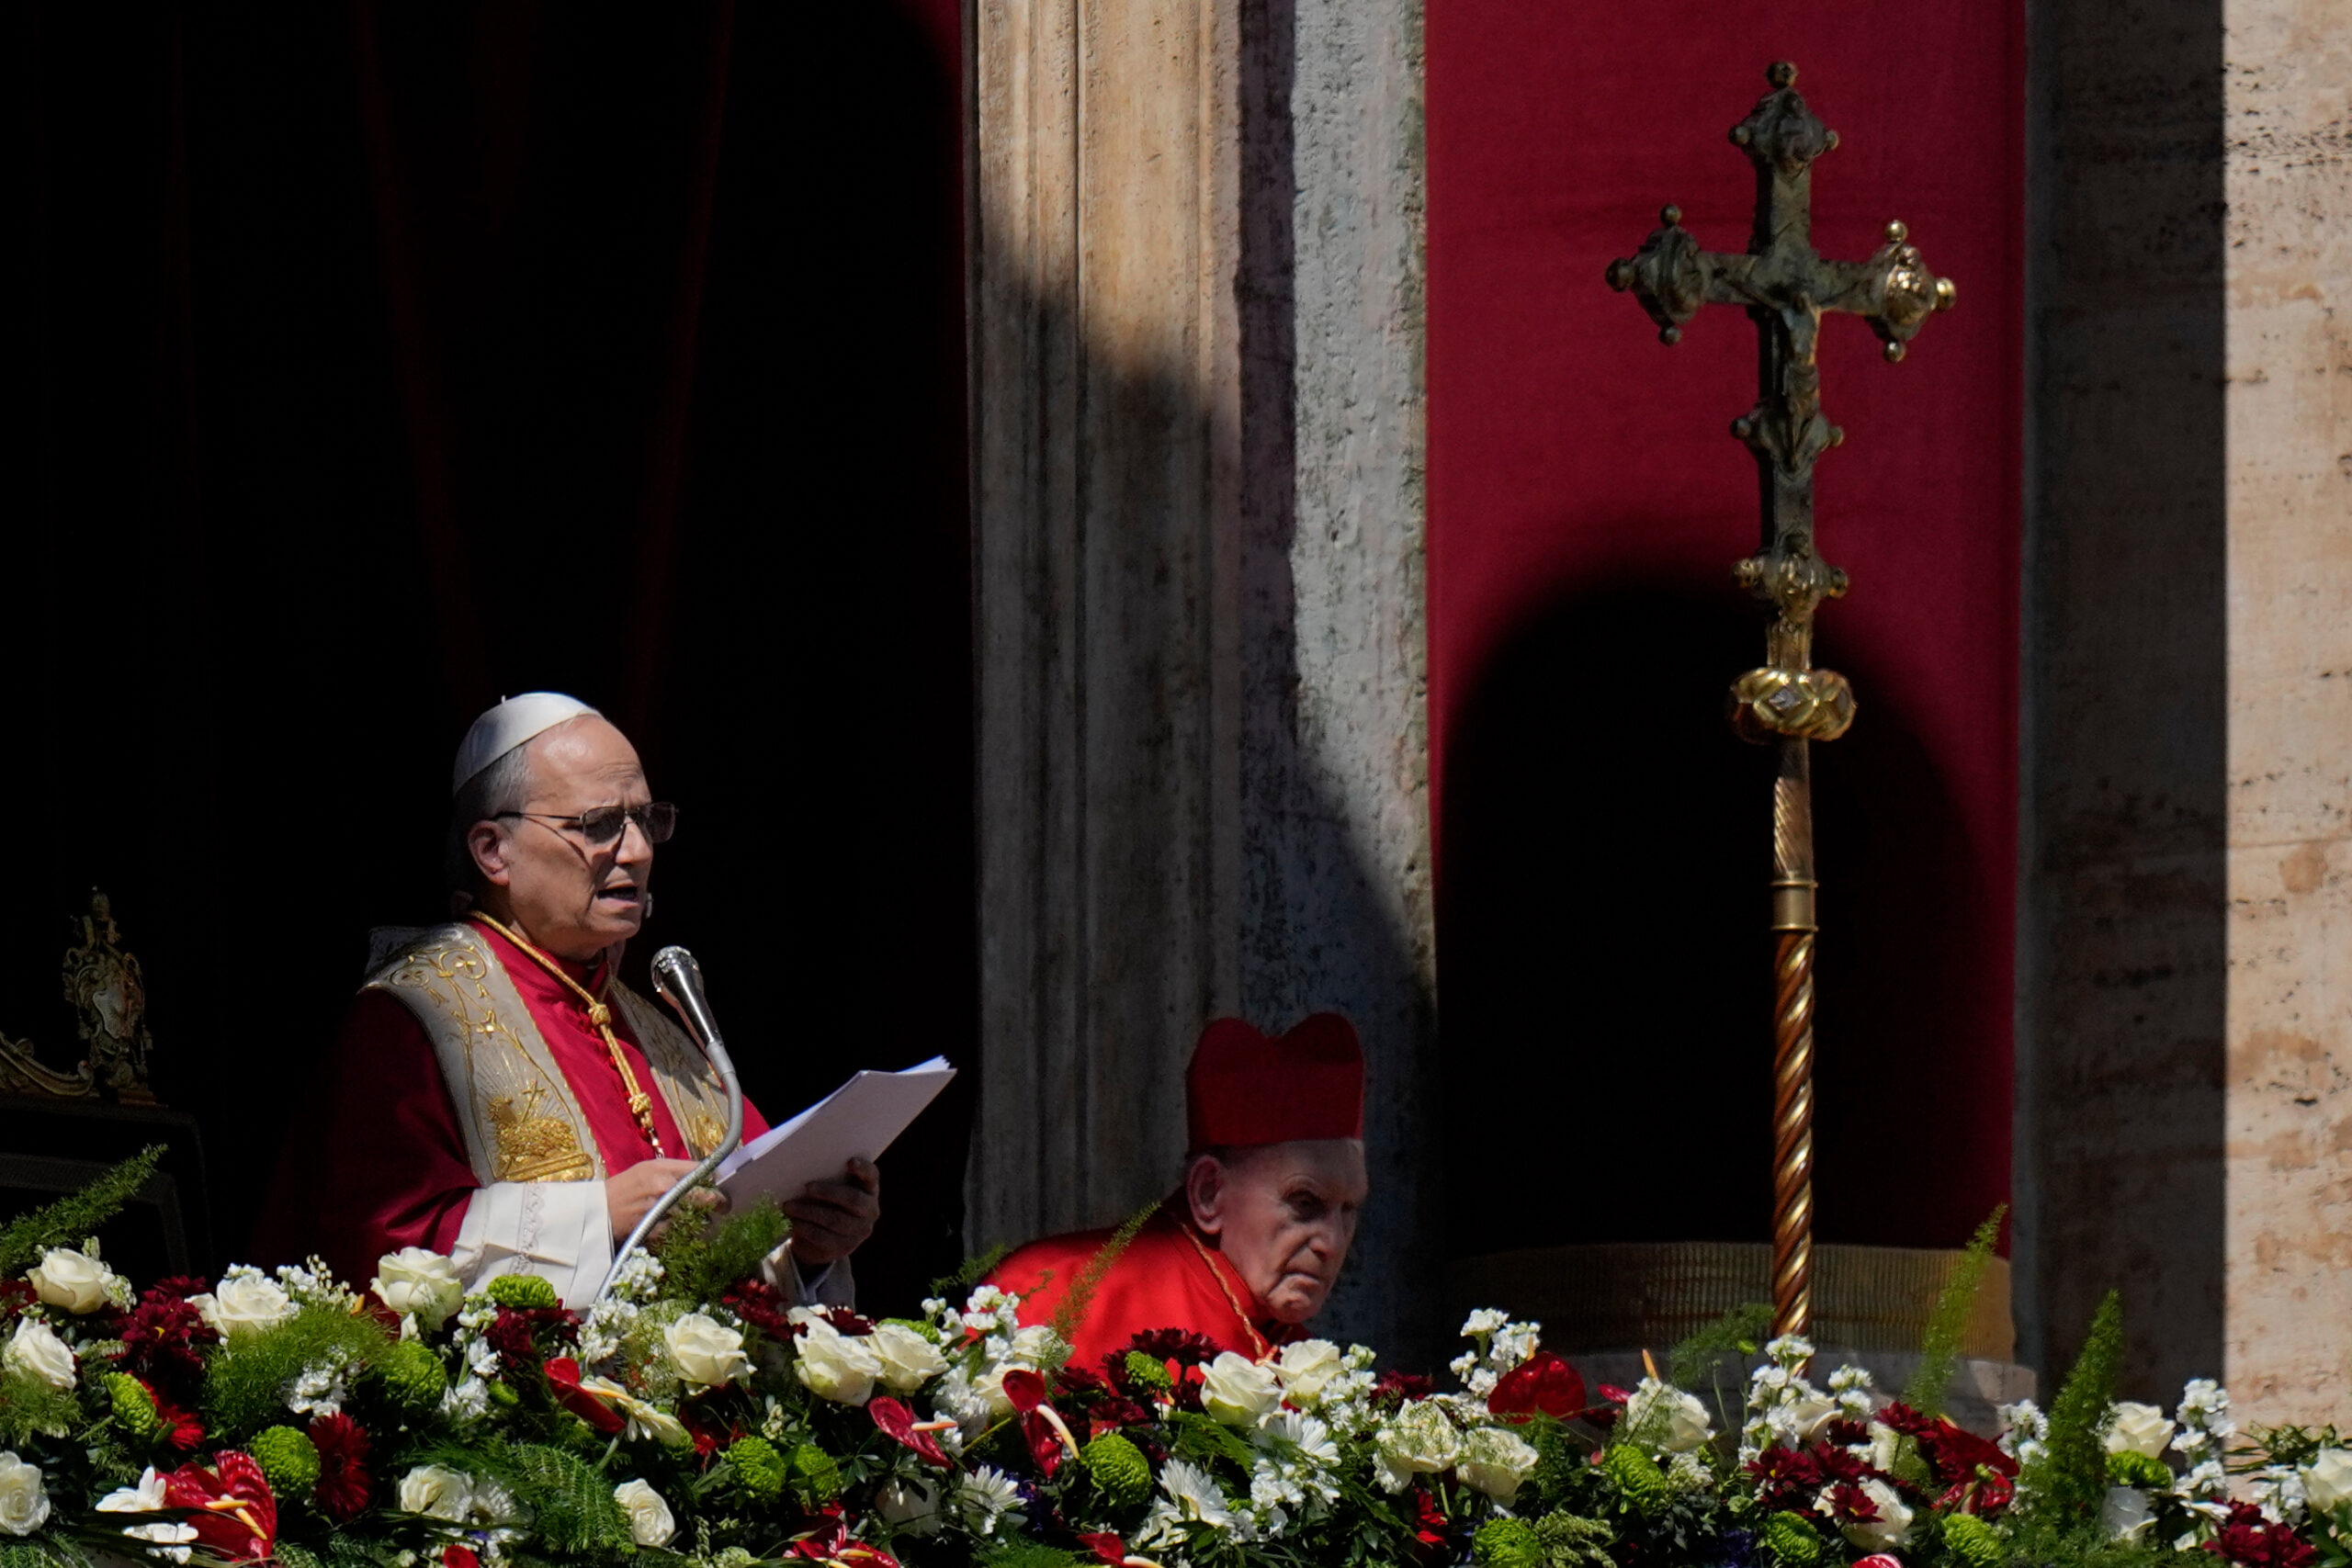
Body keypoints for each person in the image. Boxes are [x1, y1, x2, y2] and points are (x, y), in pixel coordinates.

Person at [255, 693, 880, 1309]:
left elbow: (738, 1244)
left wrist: (808, 1247)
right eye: (599, 824)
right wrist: (598, 1216)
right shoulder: (412, 1018)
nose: (636, 851)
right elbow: (378, 1247)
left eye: (646, 819)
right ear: (491, 850)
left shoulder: (660, 1033)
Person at [989, 1012, 1368, 1373]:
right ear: (1209, 1192)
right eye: (1305, 1203)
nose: (1332, 1244)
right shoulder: (1049, 1295)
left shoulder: (1312, 1376)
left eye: (1349, 1209)